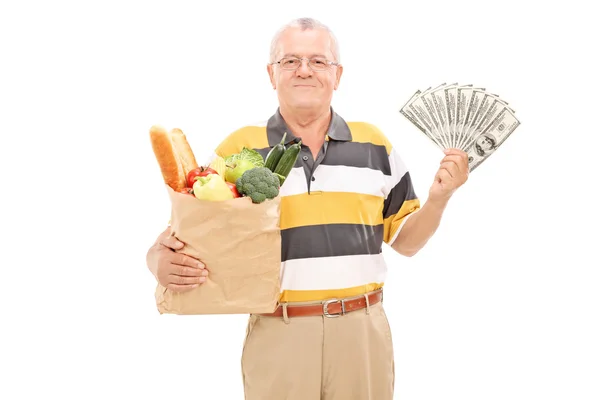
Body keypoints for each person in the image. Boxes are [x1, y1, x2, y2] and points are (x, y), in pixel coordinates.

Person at [146, 17, 470, 400]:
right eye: (290, 61)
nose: (304, 70)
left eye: (318, 61)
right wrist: (156, 261)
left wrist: (438, 199)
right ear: (272, 74)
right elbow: (190, 233)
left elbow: (405, 242)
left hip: (361, 333)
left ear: (338, 74)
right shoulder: (239, 150)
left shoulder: (375, 146)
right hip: (278, 333)